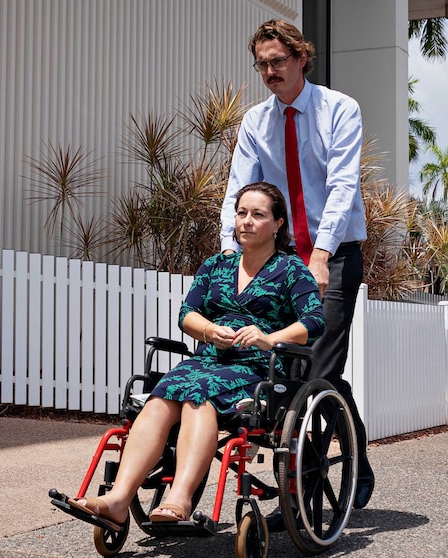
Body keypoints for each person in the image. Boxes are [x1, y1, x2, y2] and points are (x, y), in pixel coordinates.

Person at [62, 182, 325, 526]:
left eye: (258, 214)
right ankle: (118, 499)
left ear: (277, 224)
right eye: (242, 213)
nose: (246, 221)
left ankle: (180, 498)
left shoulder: (290, 270)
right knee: (161, 398)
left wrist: (267, 338)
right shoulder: (216, 265)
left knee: (197, 399)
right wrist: (209, 331)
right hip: (206, 361)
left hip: (258, 368)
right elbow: (187, 313)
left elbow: (315, 319)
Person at [221, 19, 374, 509]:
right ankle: (355, 455)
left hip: (336, 255)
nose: (270, 70)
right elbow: (239, 192)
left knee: (315, 368)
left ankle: (304, 484)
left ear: (301, 58)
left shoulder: (339, 110)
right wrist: (230, 254)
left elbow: (342, 187)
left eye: (278, 61)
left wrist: (322, 256)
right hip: (283, 260)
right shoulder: (254, 122)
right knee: (292, 367)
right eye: (262, 64)